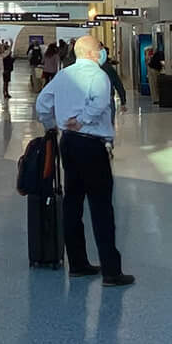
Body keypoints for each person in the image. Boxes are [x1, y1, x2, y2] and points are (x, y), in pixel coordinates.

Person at [36, 36, 133, 287]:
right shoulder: (98, 75)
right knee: (101, 206)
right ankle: (112, 270)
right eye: (100, 48)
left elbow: (42, 103)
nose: (103, 52)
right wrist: (83, 120)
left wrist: (51, 127)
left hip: (68, 143)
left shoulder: (63, 75)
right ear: (91, 52)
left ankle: (78, 263)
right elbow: (100, 104)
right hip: (91, 144)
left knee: (73, 202)